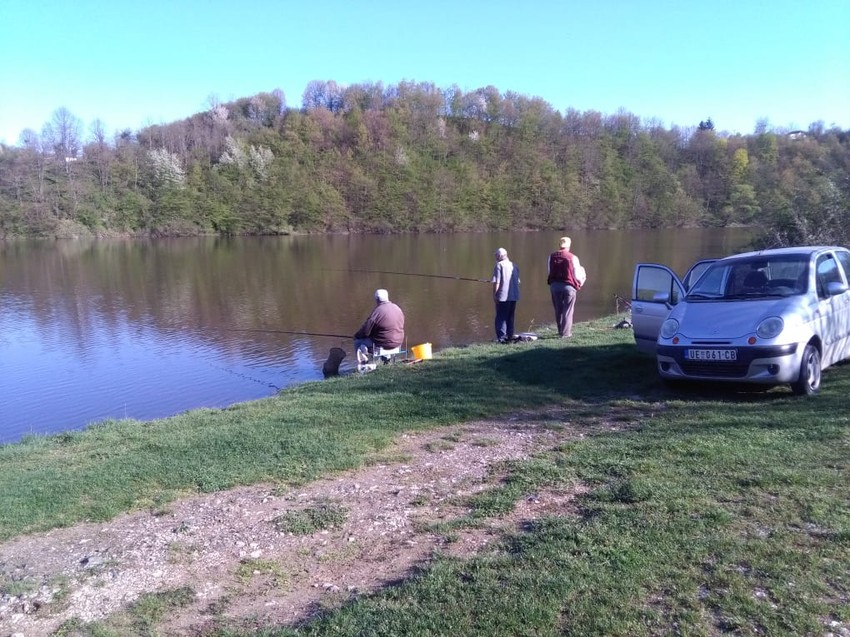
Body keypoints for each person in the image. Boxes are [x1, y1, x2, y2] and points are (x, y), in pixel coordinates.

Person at [354, 288, 405, 363]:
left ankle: (364, 365)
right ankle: (386, 361)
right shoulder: (397, 308)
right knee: (382, 338)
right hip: (398, 343)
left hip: (383, 344)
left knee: (358, 342)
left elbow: (365, 330)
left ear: (377, 299)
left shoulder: (378, 311)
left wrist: (357, 335)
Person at [547, 236, 584, 338]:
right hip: (568, 287)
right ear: (569, 245)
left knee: (558, 310)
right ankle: (566, 334)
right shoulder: (573, 257)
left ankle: (560, 331)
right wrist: (580, 282)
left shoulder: (551, 256)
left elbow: (549, 272)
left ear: (559, 245)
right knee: (567, 310)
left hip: (554, 286)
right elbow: (577, 275)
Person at [491, 247, 520, 343]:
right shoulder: (514, 266)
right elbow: (518, 281)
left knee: (501, 317)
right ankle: (510, 336)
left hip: (503, 297)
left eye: (496, 256)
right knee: (510, 316)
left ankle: (502, 338)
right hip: (514, 296)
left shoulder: (499, 265)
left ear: (499, 256)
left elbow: (497, 282)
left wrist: (495, 295)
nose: (495, 257)